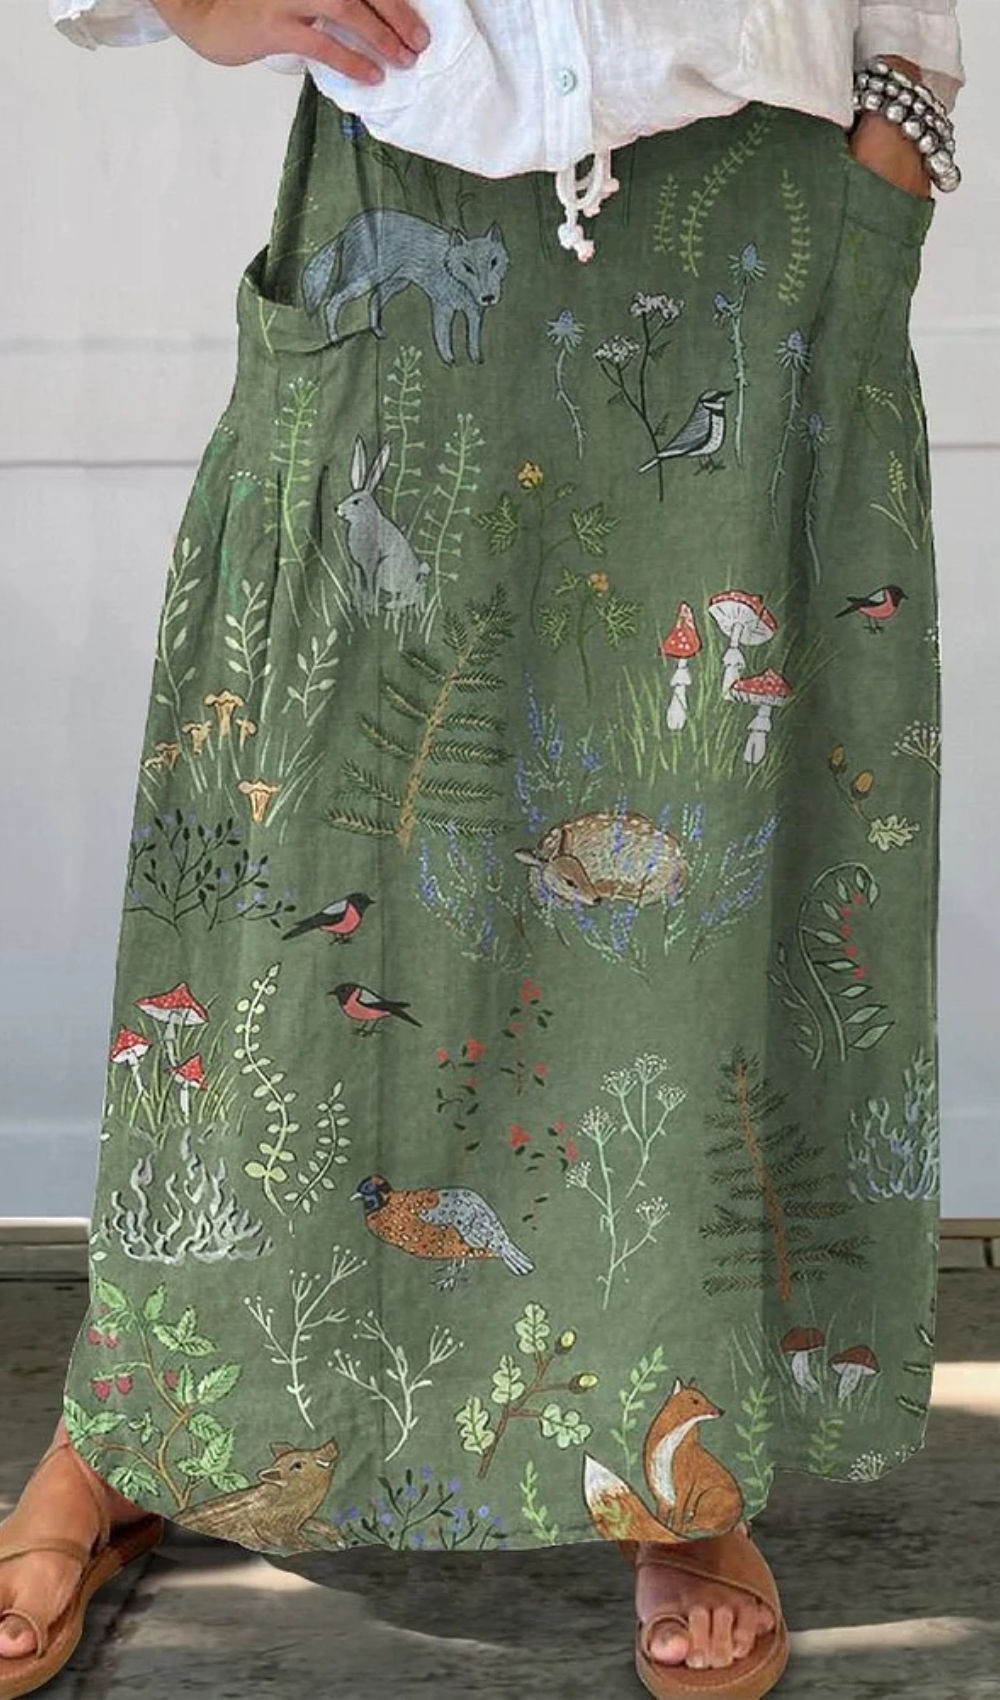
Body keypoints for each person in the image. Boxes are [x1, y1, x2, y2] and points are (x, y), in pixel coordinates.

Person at [1, 3, 964, 1695]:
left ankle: (675, 1465)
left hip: (759, 202)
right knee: (285, 875)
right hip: (407, 175)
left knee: (702, 867)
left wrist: (909, 119)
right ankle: (136, 1425)